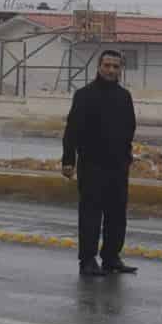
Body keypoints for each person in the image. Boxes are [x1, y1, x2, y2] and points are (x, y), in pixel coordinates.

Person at [61, 48, 138, 277]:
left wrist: (126, 157)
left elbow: (129, 128)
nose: (111, 70)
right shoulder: (84, 95)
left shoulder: (124, 97)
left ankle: (111, 257)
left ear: (120, 69)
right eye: (107, 65)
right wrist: (68, 160)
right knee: (91, 215)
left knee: (117, 216)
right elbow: (71, 130)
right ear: (99, 67)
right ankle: (87, 260)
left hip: (117, 167)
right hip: (92, 165)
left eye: (116, 66)